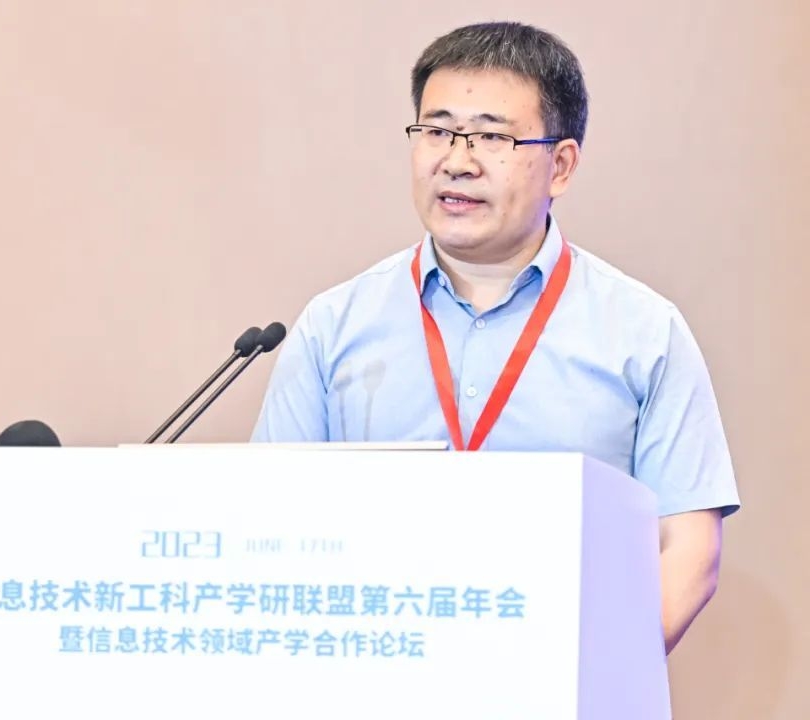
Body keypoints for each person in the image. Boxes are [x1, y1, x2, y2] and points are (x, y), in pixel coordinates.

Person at [250, 21, 740, 654]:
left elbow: (689, 550)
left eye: (492, 136)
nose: (457, 161)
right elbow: (269, 522)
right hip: (371, 671)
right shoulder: (333, 325)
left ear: (560, 165)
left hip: (566, 682)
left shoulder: (644, 332)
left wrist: (589, 679)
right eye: (437, 131)